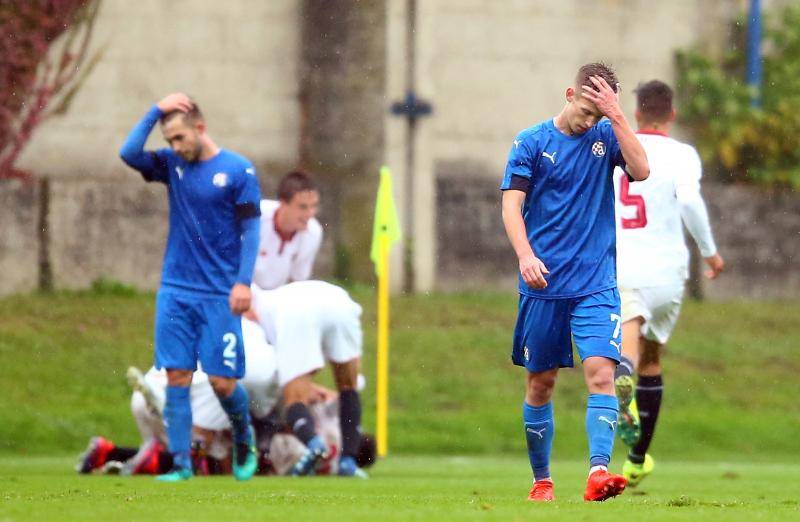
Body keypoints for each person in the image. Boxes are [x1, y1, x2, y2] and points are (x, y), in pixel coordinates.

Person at [500, 62, 649, 502]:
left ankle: (598, 473)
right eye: (587, 110)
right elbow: (511, 207)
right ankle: (542, 480)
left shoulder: (606, 135)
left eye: (598, 115)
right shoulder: (530, 142)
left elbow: (641, 171)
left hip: (596, 283)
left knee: (601, 373)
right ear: (569, 94)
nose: (590, 122)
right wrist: (525, 255)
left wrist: (616, 116)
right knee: (540, 383)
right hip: (543, 285)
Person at [119, 93, 262, 482]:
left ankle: (243, 433)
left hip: (219, 294)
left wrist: (242, 283)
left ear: (200, 128)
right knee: (177, 376)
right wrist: (154, 111)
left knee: (221, 382)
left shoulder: (238, 170)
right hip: (176, 291)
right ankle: (181, 465)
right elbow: (129, 153)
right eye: (170, 141)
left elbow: (251, 230)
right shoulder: (171, 166)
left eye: (180, 138)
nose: (175, 147)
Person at [612, 79, 724, 486]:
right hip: (667, 270)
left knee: (629, 345)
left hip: (622, 265)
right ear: (671, 115)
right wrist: (710, 252)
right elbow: (691, 202)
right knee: (653, 359)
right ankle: (638, 459)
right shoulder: (681, 154)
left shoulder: (617, 147)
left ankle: (620, 378)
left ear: (638, 112)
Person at [250, 280, 367, 477]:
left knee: (295, 398)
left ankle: (314, 445)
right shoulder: (272, 296)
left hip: (298, 311)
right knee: (349, 386)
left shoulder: (259, 312)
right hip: (341, 301)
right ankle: (348, 461)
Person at [251, 170, 323, 291]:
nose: (310, 214)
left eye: (314, 206)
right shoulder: (255, 217)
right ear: (283, 203)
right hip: (240, 293)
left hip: (277, 299)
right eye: (303, 207)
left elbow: (298, 282)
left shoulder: (314, 232)